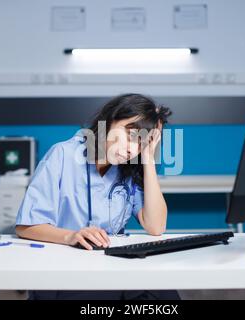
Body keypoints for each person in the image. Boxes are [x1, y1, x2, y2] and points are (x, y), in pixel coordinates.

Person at [15, 93, 180, 300]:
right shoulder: (62, 155)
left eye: (141, 143)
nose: (132, 149)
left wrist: (148, 159)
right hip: (65, 271)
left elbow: (156, 227)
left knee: (164, 296)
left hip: (112, 268)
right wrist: (70, 236)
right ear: (109, 121)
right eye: (130, 135)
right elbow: (26, 226)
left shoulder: (128, 170)